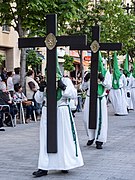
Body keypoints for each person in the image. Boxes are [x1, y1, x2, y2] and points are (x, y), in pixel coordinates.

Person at [33, 64, 84, 177]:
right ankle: (44, 166)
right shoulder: (45, 82)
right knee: (45, 139)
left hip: (61, 111)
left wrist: (63, 87)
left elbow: (74, 94)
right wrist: (41, 89)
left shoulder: (65, 80)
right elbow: (38, 99)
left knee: (63, 138)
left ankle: (64, 164)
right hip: (47, 111)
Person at [82, 52, 112, 149]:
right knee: (87, 118)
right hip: (89, 98)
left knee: (100, 119)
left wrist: (102, 79)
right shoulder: (88, 73)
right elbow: (83, 87)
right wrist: (86, 80)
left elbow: (109, 85)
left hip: (100, 98)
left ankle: (100, 139)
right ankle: (91, 137)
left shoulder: (106, 73)